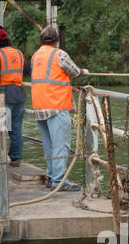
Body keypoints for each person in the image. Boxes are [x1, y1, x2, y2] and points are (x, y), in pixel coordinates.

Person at [30, 25, 87, 191]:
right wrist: (84, 71)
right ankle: (59, 182)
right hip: (56, 106)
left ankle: (51, 176)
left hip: (40, 106)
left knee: (49, 146)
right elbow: (74, 71)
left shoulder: (35, 56)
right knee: (61, 146)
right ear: (56, 41)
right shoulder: (59, 54)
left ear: (41, 40)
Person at [0, 26, 28, 165]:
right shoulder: (19, 53)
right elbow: (28, 70)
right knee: (16, 128)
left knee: (1, 128)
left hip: (4, 95)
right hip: (19, 95)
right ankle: (16, 157)